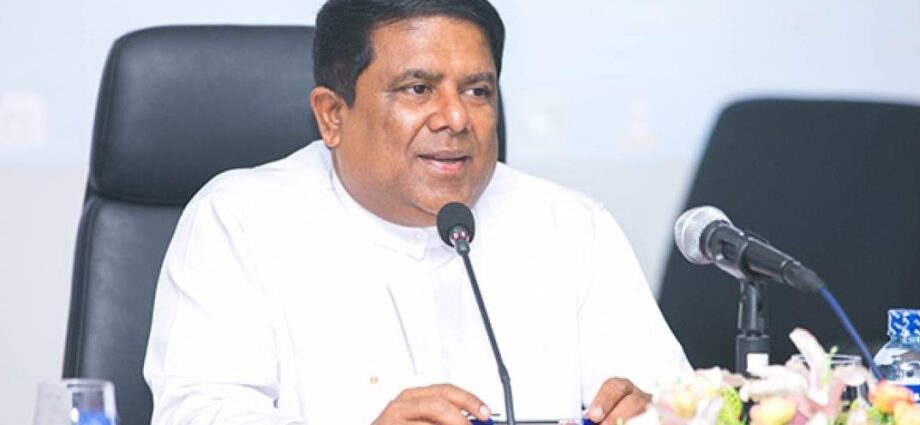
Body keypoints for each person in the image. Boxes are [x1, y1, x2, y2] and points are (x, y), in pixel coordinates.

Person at [143, 0, 691, 424]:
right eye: (418, 88)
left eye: (477, 91)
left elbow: (675, 400)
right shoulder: (240, 221)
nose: (456, 118)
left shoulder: (571, 227)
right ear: (332, 115)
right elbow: (198, 414)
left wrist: (657, 412)